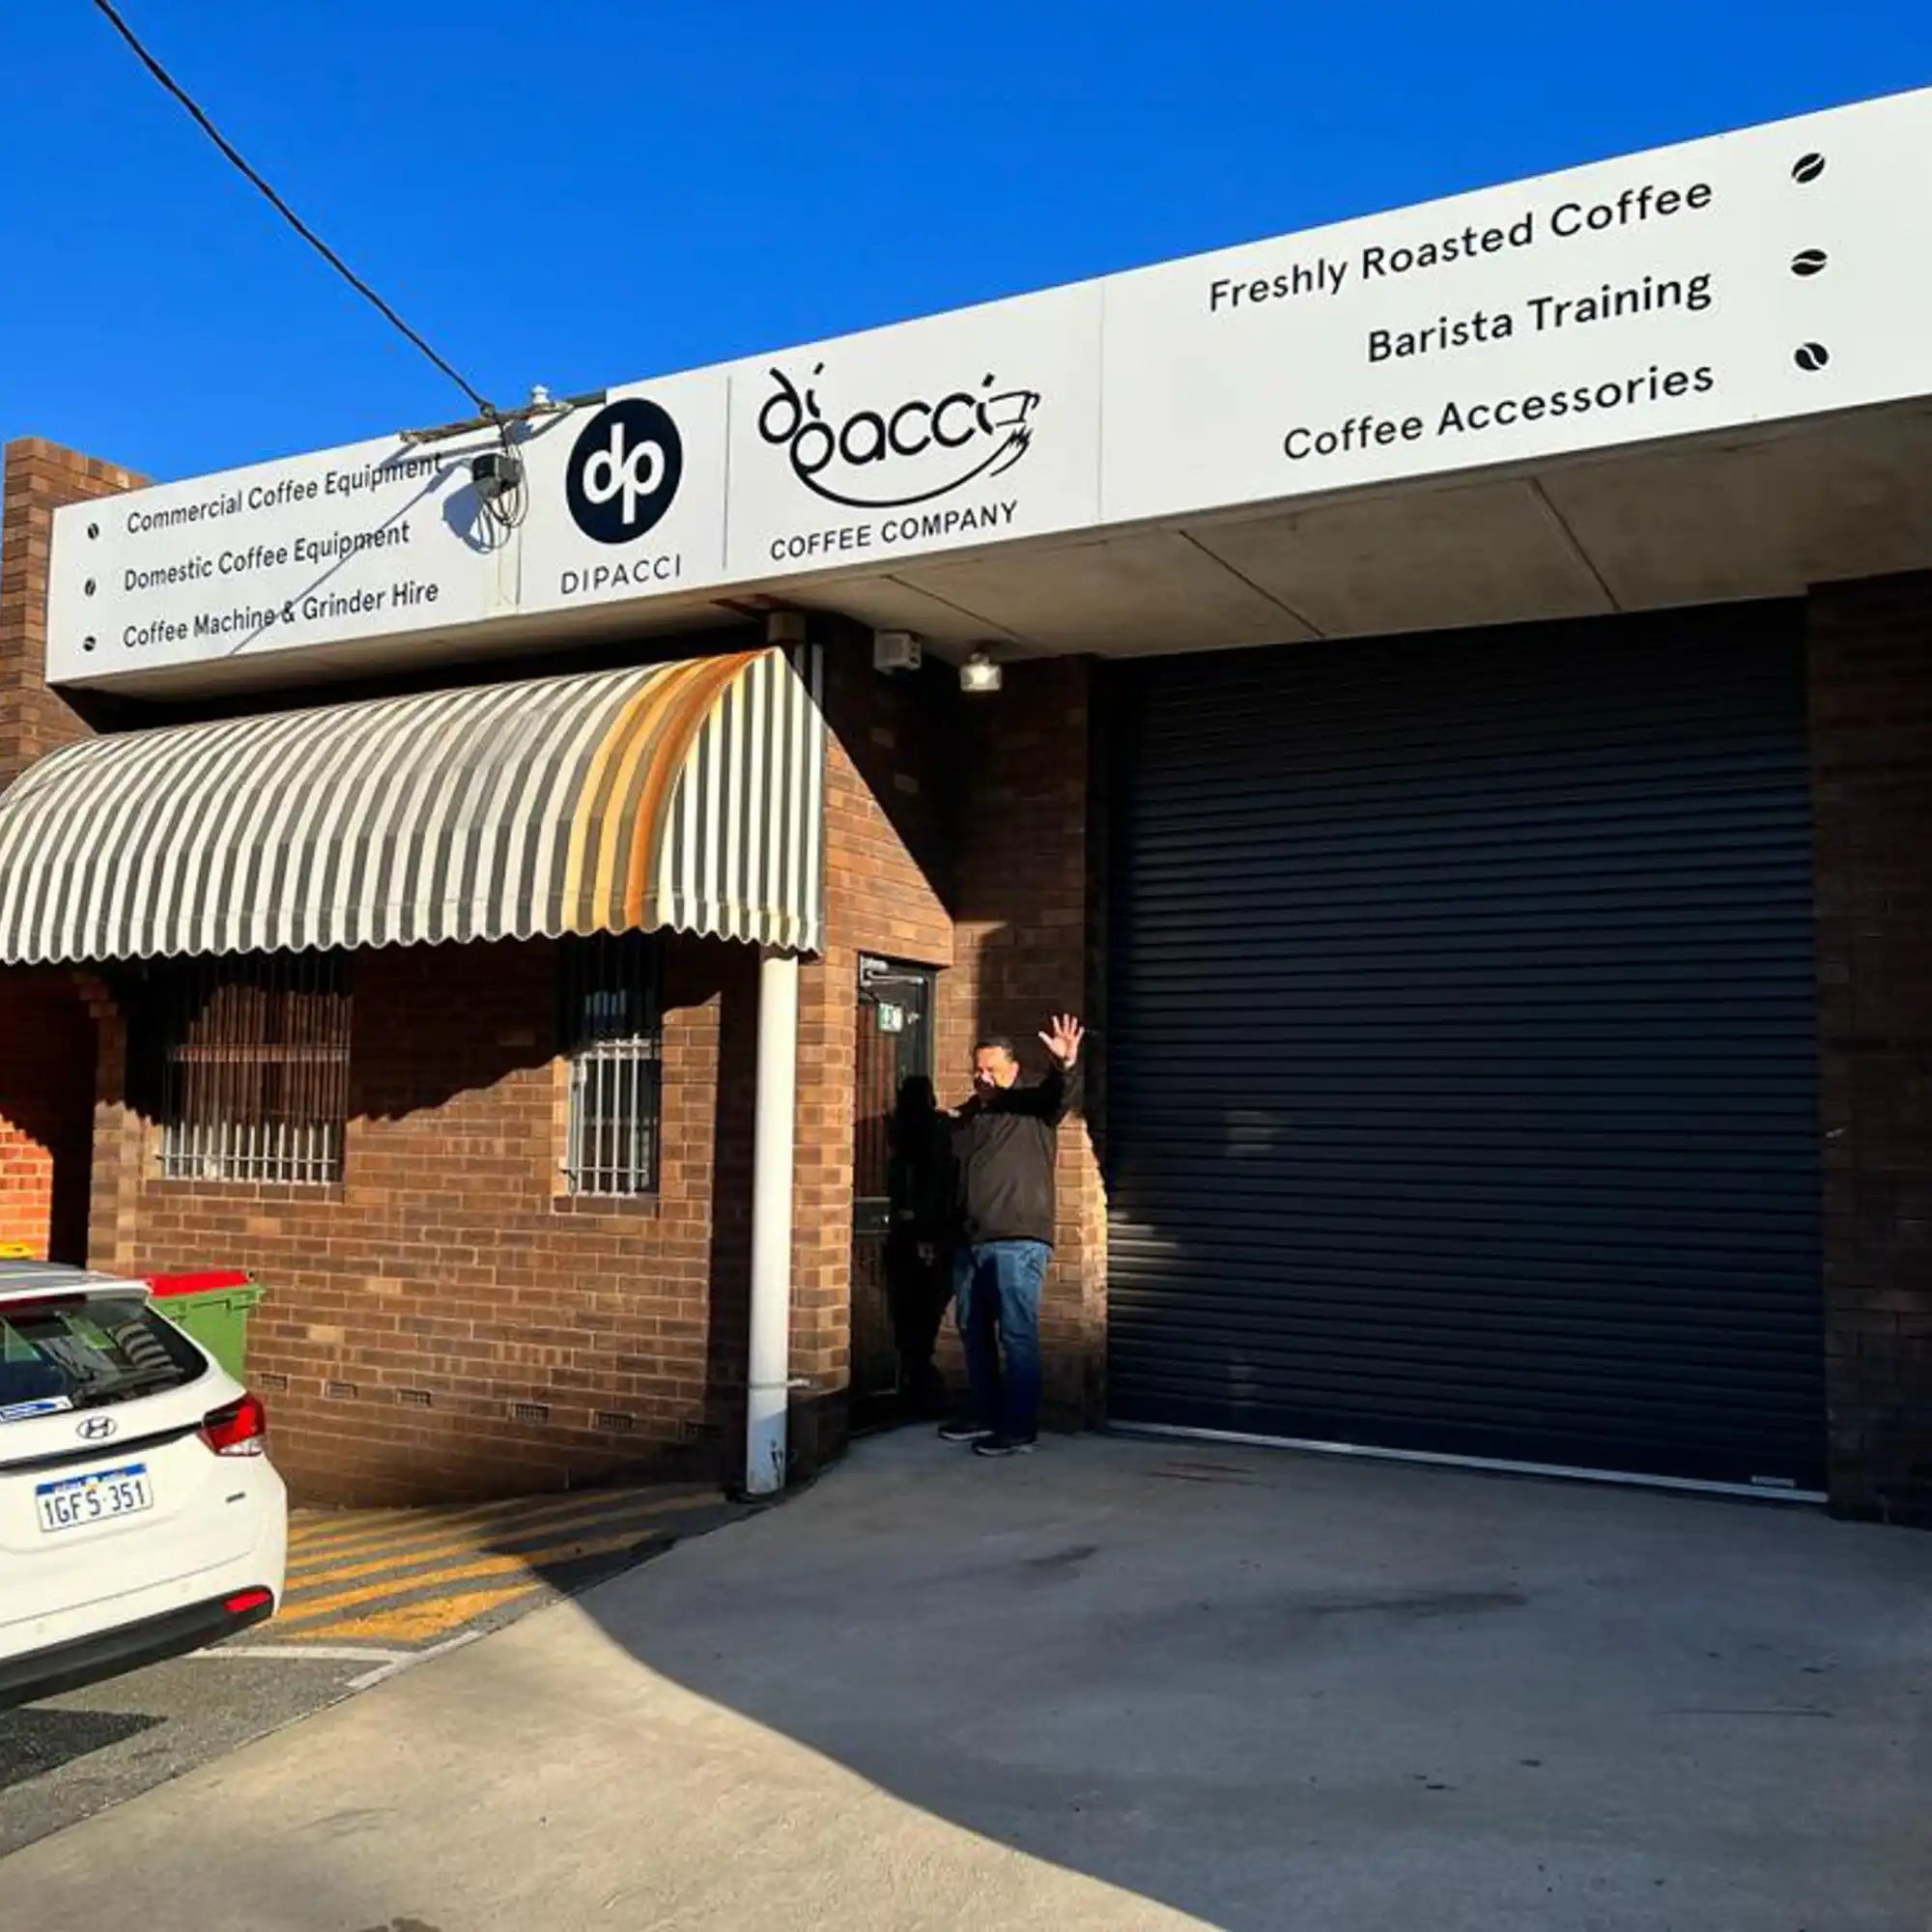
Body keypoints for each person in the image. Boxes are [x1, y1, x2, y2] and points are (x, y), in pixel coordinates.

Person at [940, 1013, 1085, 1458]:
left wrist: (1065, 1065)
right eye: (978, 1070)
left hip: (1018, 1240)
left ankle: (1019, 1428)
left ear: (1014, 1069)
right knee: (973, 1328)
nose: (984, 1078)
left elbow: (1059, 1095)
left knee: (1017, 1333)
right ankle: (984, 1413)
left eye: (993, 1070)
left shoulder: (1030, 1107)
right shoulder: (970, 1118)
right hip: (971, 1241)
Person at [883, 1075, 952, 1418]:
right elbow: (938, 1184)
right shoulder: (938, 1130)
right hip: (930, 1236)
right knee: (924, 1319)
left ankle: (915, 1386)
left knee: (906, 1318)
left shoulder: (897, 1132)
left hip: (904, 1234)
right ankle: (921, 1390)